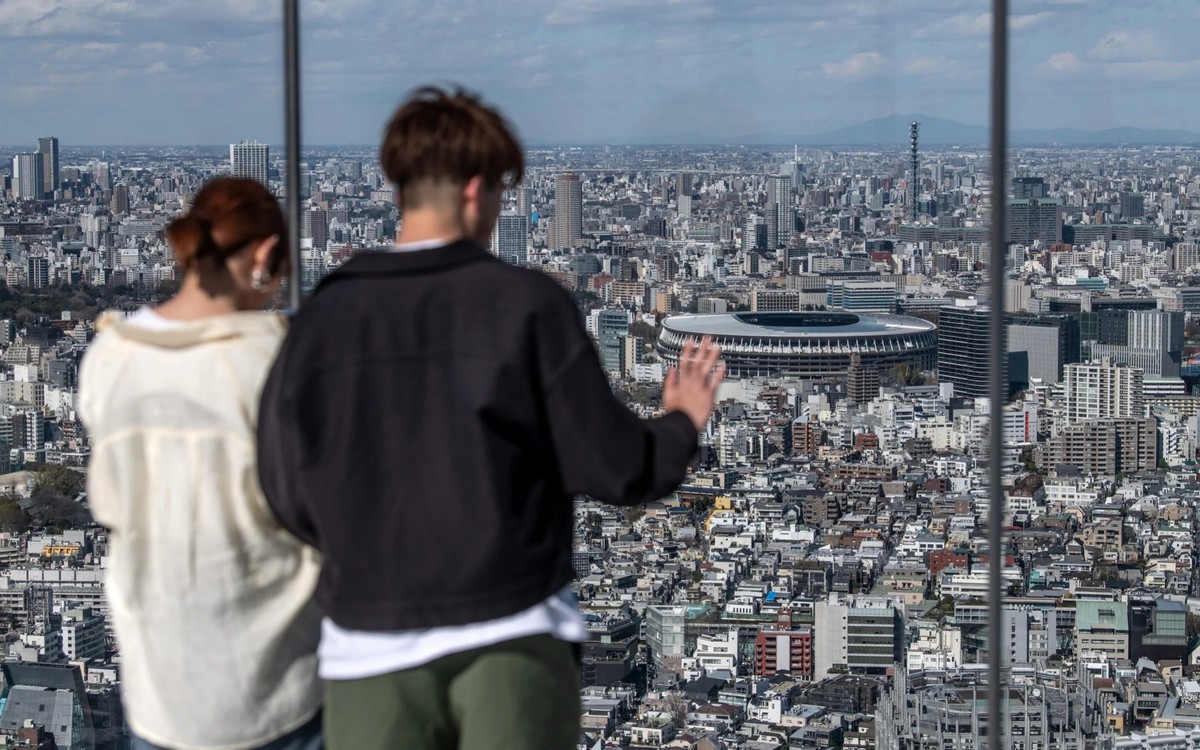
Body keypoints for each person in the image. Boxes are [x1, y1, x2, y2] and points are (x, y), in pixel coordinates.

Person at [256, 85, 723, 750]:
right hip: (511, 630)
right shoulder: (524, 306)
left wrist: (364, 546)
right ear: (477, 189)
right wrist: (679, 422)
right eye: (503, 191)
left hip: (370, 646)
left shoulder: (324, 319)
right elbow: (620, 468)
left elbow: (282, 487)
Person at [80, 177, 323, 750]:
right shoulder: (272, 361)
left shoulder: (110, 357)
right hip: (274, 679)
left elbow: (110, 503)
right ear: (263, 256)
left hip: (162, 684)